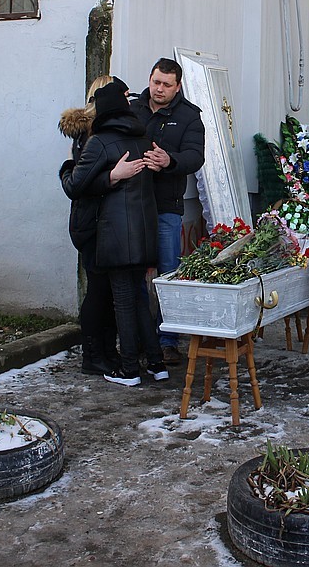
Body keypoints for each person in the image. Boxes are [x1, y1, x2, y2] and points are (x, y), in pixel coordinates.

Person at [60, 80, 167, 386]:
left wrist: (67, 166)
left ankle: (130, 369)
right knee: (137, 298)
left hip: (115, 235)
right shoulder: (143, 139)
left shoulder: (100, 141)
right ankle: (156, 363)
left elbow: (74, 187)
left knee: (119, 300)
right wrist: (112, 176)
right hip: (144, 231)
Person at [131, 57, 205, 364]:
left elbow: (195, 156)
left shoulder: (189, 117)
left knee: (168, 274)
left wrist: (170, 162)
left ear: (177, 87)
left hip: (166, 205)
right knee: (131, 270)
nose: (159, 89)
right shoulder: (133, 108)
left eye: (166, 85)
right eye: (155, 82)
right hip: (131, 203)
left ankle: (167, 340)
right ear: (149, 79)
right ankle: (135, 335)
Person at [58, 75, 124, 376]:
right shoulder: (92, 134)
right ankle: (93, 355)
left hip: (99, 220)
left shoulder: (94, 131)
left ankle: (105, 352)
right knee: (98, 291)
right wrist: (113, 177)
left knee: (104, 290)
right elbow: (78, 182)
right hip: (91, 222)